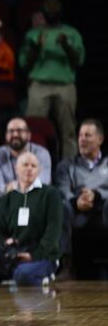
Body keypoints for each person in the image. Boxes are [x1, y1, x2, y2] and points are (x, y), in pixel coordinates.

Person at [0, 152, 62, 286]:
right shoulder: (8, 197)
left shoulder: (51, 194)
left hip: (41, 256)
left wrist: (34, 255)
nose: (29, 168)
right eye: (25, 165)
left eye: (33, 166)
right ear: (16, 169)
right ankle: (12, 277)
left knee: (22, 275)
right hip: (13, 255)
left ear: (39, 170)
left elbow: (53, 232)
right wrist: (6, 243)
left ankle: (45, 275)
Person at [20, 0, 85, 159]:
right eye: (49, 11)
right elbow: (23, 63)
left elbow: (80, 61)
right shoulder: (34, 34)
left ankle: (68, 168)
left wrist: (67, 46)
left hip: (65, 85)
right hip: (39, 85)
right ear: (43, 13)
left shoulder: (71, 33)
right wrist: (36, 47)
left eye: (55, 11)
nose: (52, 14)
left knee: (68, 130)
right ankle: (31, 163)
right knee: (33, 127)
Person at [0, 117, 53, 251]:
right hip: (6, 202)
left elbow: (43, 182)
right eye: (11, 131)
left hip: (35, 200)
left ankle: (48, 256)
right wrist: (9, 190)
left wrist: (14, 187)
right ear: (6, 135)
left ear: (28, 135)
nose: (15, 134)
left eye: (19, 131)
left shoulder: (41, 153)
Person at [55, 119, 108, 278]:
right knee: (61, 205)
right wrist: (76, 201)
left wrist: (96, 195)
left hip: (104, 210)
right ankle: (66, 263)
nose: (82, 139)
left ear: (100, 139)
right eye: (80, 135)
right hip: (77, 212)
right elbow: (62, 189)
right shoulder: (66, 165)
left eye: (88, 135)